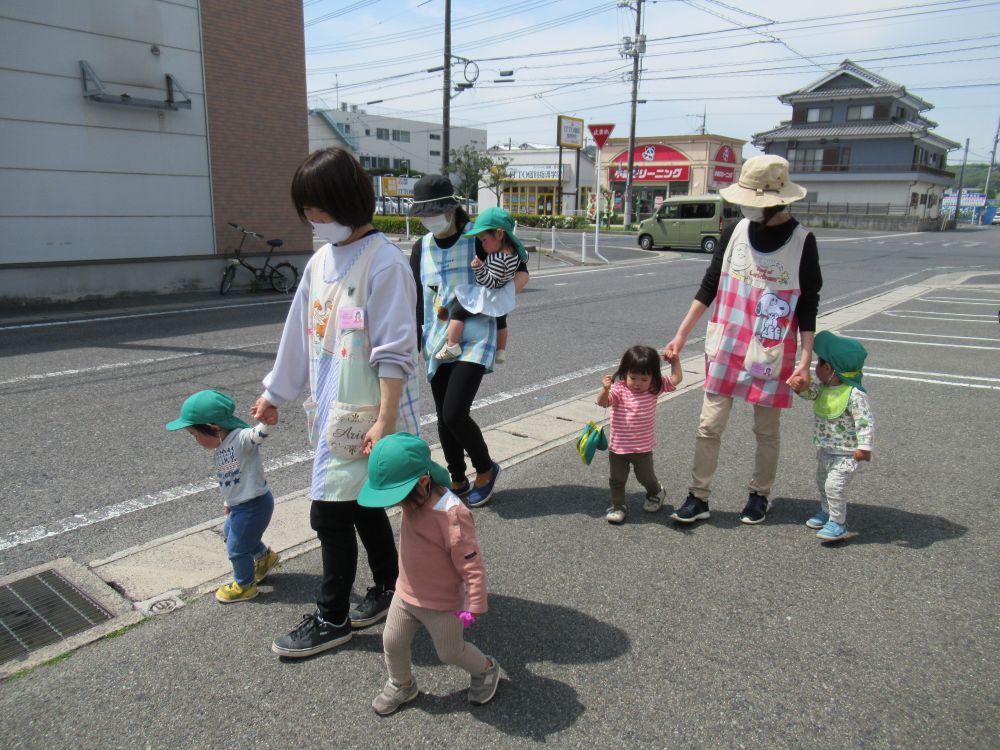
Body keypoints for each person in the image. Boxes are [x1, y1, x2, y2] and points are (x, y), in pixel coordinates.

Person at [251, 147, 420, 657]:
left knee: (328, 514)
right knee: (363, 507)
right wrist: (275, 393)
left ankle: (333, 617)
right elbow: (298, 335)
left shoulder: (385, 263)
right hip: (333, 408)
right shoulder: (322, 260)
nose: (311, 220)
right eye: (307, 211)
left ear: (345, 201)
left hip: (367, 414)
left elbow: (396, 351)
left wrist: (387, 420)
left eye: (318, 209)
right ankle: (391, 589)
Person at [661, 154, 822, 526]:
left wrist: (805, 359)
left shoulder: (802, 242)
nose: (745, 205)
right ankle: (698, 497)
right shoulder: (734, 230)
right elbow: (709, 285)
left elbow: (809, 305)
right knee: (709, 425)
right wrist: (681, 335)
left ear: (775, 200)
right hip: (727, 342)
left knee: (765, 430)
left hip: (771, 347)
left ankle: (759, 495)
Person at [358, 433, 500, 716]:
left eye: (400, 498)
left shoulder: (451, 515)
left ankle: (486, 670)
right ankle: (402, 684)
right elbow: (398, 456)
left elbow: (471, 564)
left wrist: (474, 603)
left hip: (442, 602)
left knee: (450, 652)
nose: (399, 505)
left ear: (423, 482)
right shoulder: (415, 495)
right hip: (406, 591)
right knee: (392, 641)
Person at [408, 176, 529, 507]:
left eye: (435, 212)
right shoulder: (421, 247)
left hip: (476, 336)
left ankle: (486, 469)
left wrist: (498, 300)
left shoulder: (477, 237)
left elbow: (521, 269)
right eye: (424, 214)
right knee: (443, 415)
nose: (429, 219)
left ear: (452, 208)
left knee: (455, 411)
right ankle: (457, 479)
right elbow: (417, 298)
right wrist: (417, 339)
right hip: (437, 338)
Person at [166, 390, 280, 603]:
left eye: (196, 435)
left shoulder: (240, 438)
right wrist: (228, 502)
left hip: (254, 505)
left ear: (214, 428)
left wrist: (268, 420)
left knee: (236, 548)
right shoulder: (221, 447)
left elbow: (258, 434)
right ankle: (265, 559)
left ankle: (245, 586)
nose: (196, 440)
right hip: (240, 505)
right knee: (231, 534)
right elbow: (231, 479)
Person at [789, 331, 874, 541]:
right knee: (822, 483)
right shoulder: (825, 388)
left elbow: (865, 421)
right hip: (825, 451)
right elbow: (811, 394)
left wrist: (864, 447)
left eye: (818, 364)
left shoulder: (854, 394)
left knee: (833, 486)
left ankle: (838, 523)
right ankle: (827, 512)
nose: (816, 368)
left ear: (829, 369)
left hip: (846, 455)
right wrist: (801, 388)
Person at [596, 345, 683, 524]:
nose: (637, 383)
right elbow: (602, 403)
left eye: (644, 378)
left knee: (646, 478)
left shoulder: (654, 388)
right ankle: (619, 506)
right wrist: (605, 389)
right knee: (616, 479)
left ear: (653, 377)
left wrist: (675, 361)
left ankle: (655, 491)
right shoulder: (619, 389)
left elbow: (676, 379)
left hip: (643, 448)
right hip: (618, 448)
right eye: (632, 377)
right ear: (625, 373)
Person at [435, 207, 527, 363]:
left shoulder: (499, 258)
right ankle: (501, 351)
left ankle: (452, 345)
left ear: (499, 234)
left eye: (484, 240)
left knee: (458, 311)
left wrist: (479, 268)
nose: (482, 244)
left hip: (488, 295)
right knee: (501, 321)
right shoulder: (514, 253)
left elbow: (489, 281)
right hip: (502, 297)